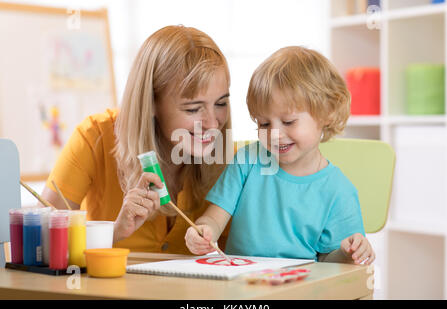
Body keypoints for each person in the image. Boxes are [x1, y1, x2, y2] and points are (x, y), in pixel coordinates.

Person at [40, 25, 232, 253]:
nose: (212, 124)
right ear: (150, 103)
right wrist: (114, 232)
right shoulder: (95, 137)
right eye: (193, 109)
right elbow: (42, 241)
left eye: (221, 103)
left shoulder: (232, 163)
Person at [185, 46, 375, 265]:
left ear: (327, 113)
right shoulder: (247, 161)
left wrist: (347, 253)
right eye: (264, 123)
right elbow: (214, 218)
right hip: (241, 283)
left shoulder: (338, 191)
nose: (275, 135)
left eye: (288, 122)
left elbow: (329, 262)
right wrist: (204, 230)